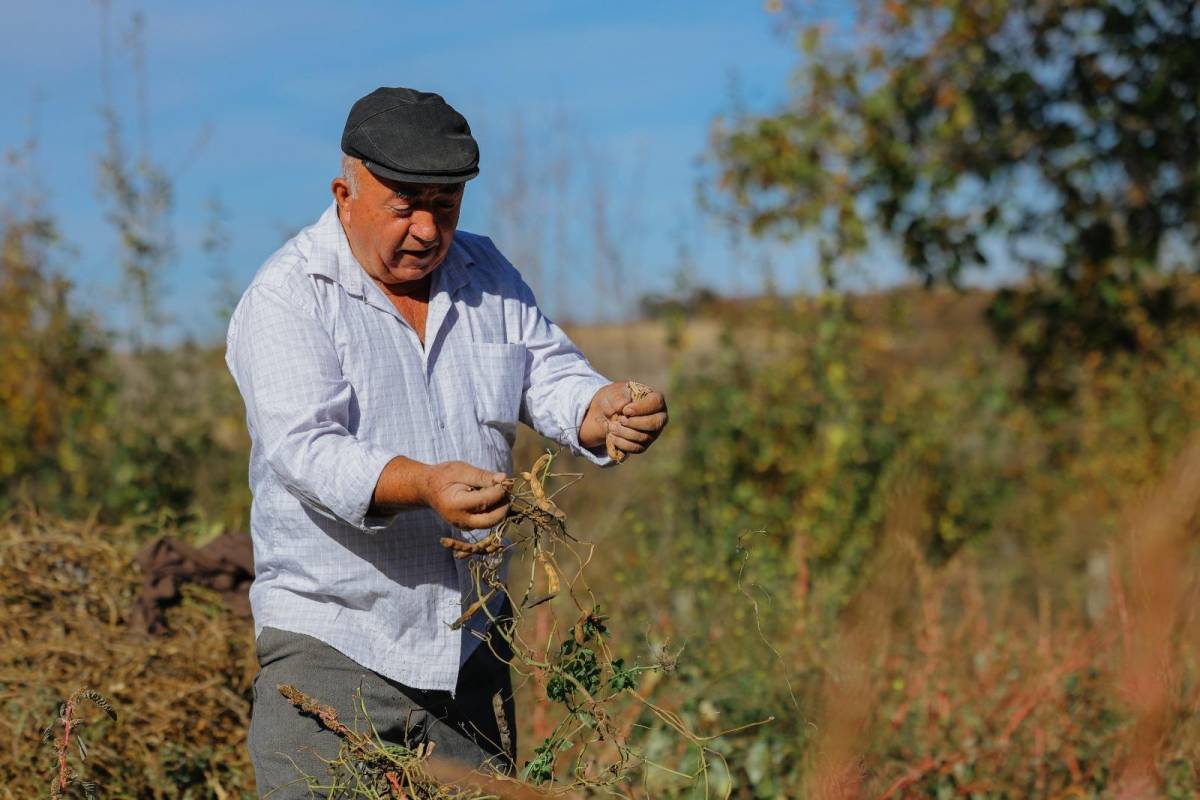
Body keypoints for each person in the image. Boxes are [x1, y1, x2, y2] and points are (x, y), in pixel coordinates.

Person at [225, 86, 668, 797]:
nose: (429, 230)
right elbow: (306, 449)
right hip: (335, 644)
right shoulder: (288, 296)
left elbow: (547, 374)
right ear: (345, 193)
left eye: (447, 205)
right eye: (405, 207)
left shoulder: (486, 272)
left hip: (471, 649)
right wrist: (424, 484)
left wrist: (601, 408)